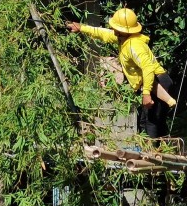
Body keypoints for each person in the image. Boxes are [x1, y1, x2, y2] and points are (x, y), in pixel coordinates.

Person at [67, 8, 174, 139]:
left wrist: (146, 93)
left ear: (123, 30)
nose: (113, 29)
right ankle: (158, 150)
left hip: (156, 82)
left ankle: (153, 153)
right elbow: (103, 33)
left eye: (115, 27)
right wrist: (81, 28)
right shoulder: (124, 39)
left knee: (151, 121)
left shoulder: (134, 45)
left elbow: (148, 68)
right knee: (146, 121)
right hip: (149, 83)